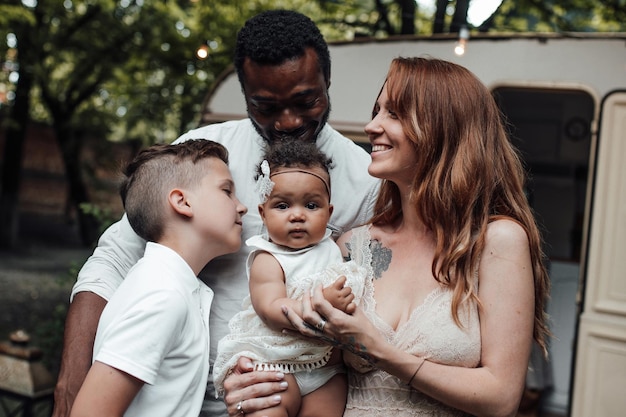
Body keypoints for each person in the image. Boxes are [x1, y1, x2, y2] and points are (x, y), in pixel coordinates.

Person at [52, 9, 380, 417]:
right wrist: (71, 377)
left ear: (326, 83)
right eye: (265, 106)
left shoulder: (365, 181)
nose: (288, 121)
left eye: (305, 100)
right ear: (245, 96)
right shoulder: (204, 155)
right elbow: (113, 260)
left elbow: (371, 300)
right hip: (182, 399)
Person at [223, 57, 551, 417]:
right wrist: (254, 379)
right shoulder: (350, 247)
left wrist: (380, 351)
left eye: (393, 114)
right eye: (377, 111)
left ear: (443, 126)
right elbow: (311, 361)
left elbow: (501, 398)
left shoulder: (497, 241)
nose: (371, 126)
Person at [69, 140, 247, 417]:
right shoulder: (162, 295)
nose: (242, 206)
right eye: (227, 191)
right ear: (182, 202)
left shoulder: (172, 286)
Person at [213, 140, 366, 417]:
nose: (297, 215)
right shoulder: (268, 257)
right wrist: (322, 304)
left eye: (311, 205)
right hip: (276, 363)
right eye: (282, 206)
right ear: (263, 213)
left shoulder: (333, 249)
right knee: (268, 410)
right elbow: (271, 308)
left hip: (327, 371)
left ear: (328, 213)